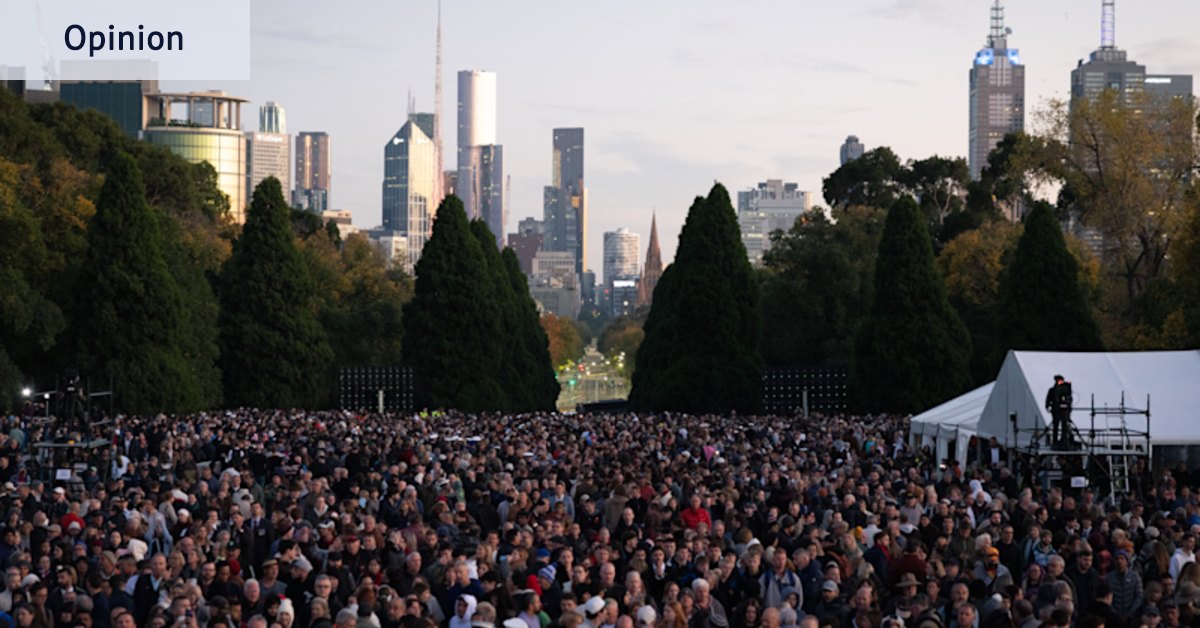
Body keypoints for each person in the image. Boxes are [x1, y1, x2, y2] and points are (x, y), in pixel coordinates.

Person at [1044, 375, 1074, 447]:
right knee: (1056, 425)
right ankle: (1055, 441)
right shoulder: (1052, 390)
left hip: (1064, 411)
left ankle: (1064, 440)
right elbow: (1048, 399)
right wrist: (1047, 406)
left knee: (1064, 426)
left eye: (1060, 381)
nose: (1059, 382)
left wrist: (1068, 407)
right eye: (1058, 381)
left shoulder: (1065, 390)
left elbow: (1069, 399)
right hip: (1055, 410)